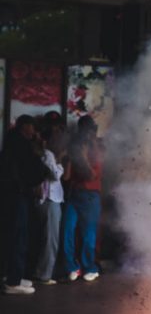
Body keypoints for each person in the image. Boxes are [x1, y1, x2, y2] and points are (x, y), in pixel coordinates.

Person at [1, 115, 49, 295]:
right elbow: (36, 168)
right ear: (24, 126)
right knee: (18, 236)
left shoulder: (11, 140)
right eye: (32, 127)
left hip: (11, 195)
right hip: (18, 194)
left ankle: (11, 275)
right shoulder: (21, 144)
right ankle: (13, 282)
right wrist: (39, 149)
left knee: (12, 235)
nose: (34, 132)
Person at [63, 115, 104, 282]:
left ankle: (89, 267)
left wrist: (81, 155)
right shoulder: (76, 147)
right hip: (74, 195)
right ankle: (72, 267)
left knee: (88, 235)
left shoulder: (97, 149)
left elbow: (91, 174)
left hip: (89, 196)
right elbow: (66, 176)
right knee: (67, 231)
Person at [34, 115, 66, 285]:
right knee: (50, 240)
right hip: (49, 199)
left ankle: (42, 272)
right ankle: (45, 274)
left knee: (46, 238)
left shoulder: (44, 152)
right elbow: (54, 175)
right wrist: (60, 159)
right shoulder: (48, 154)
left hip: (47, 200)